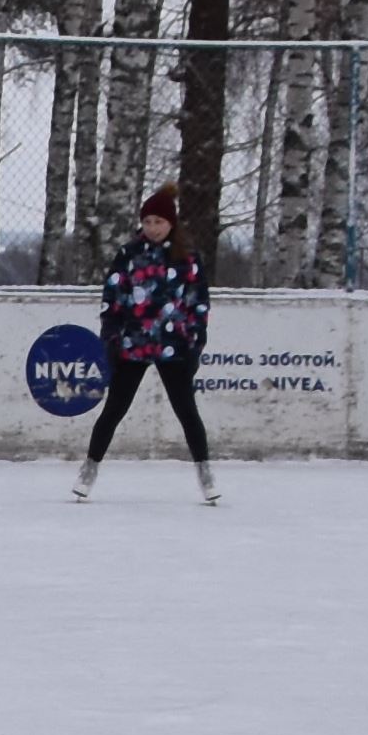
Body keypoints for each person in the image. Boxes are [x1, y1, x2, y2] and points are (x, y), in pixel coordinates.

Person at [78, 179, 216, 503]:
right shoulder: (129, 254)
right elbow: (112, 297)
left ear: (172, 223)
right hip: (134, 344)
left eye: (159, 222)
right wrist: (111, 336)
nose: (153, 228)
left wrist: (195, 342)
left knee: (187, 411)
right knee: (114, 409)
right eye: (148, 221)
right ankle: (89, 468)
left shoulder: (188, 258)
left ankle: (205, 472)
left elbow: (199, 303)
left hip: (174, 345)